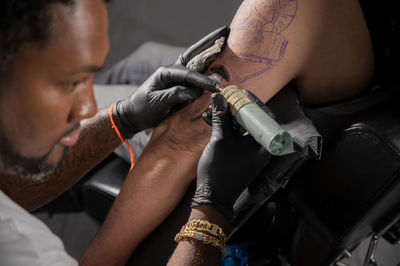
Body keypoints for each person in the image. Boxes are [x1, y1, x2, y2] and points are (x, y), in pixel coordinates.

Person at [0, 0, 258, 265]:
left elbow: (7, 188)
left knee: (145, 59)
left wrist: (122, 118)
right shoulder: (21, 250)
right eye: (71, 82)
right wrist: (212, 210)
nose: (89, 109)